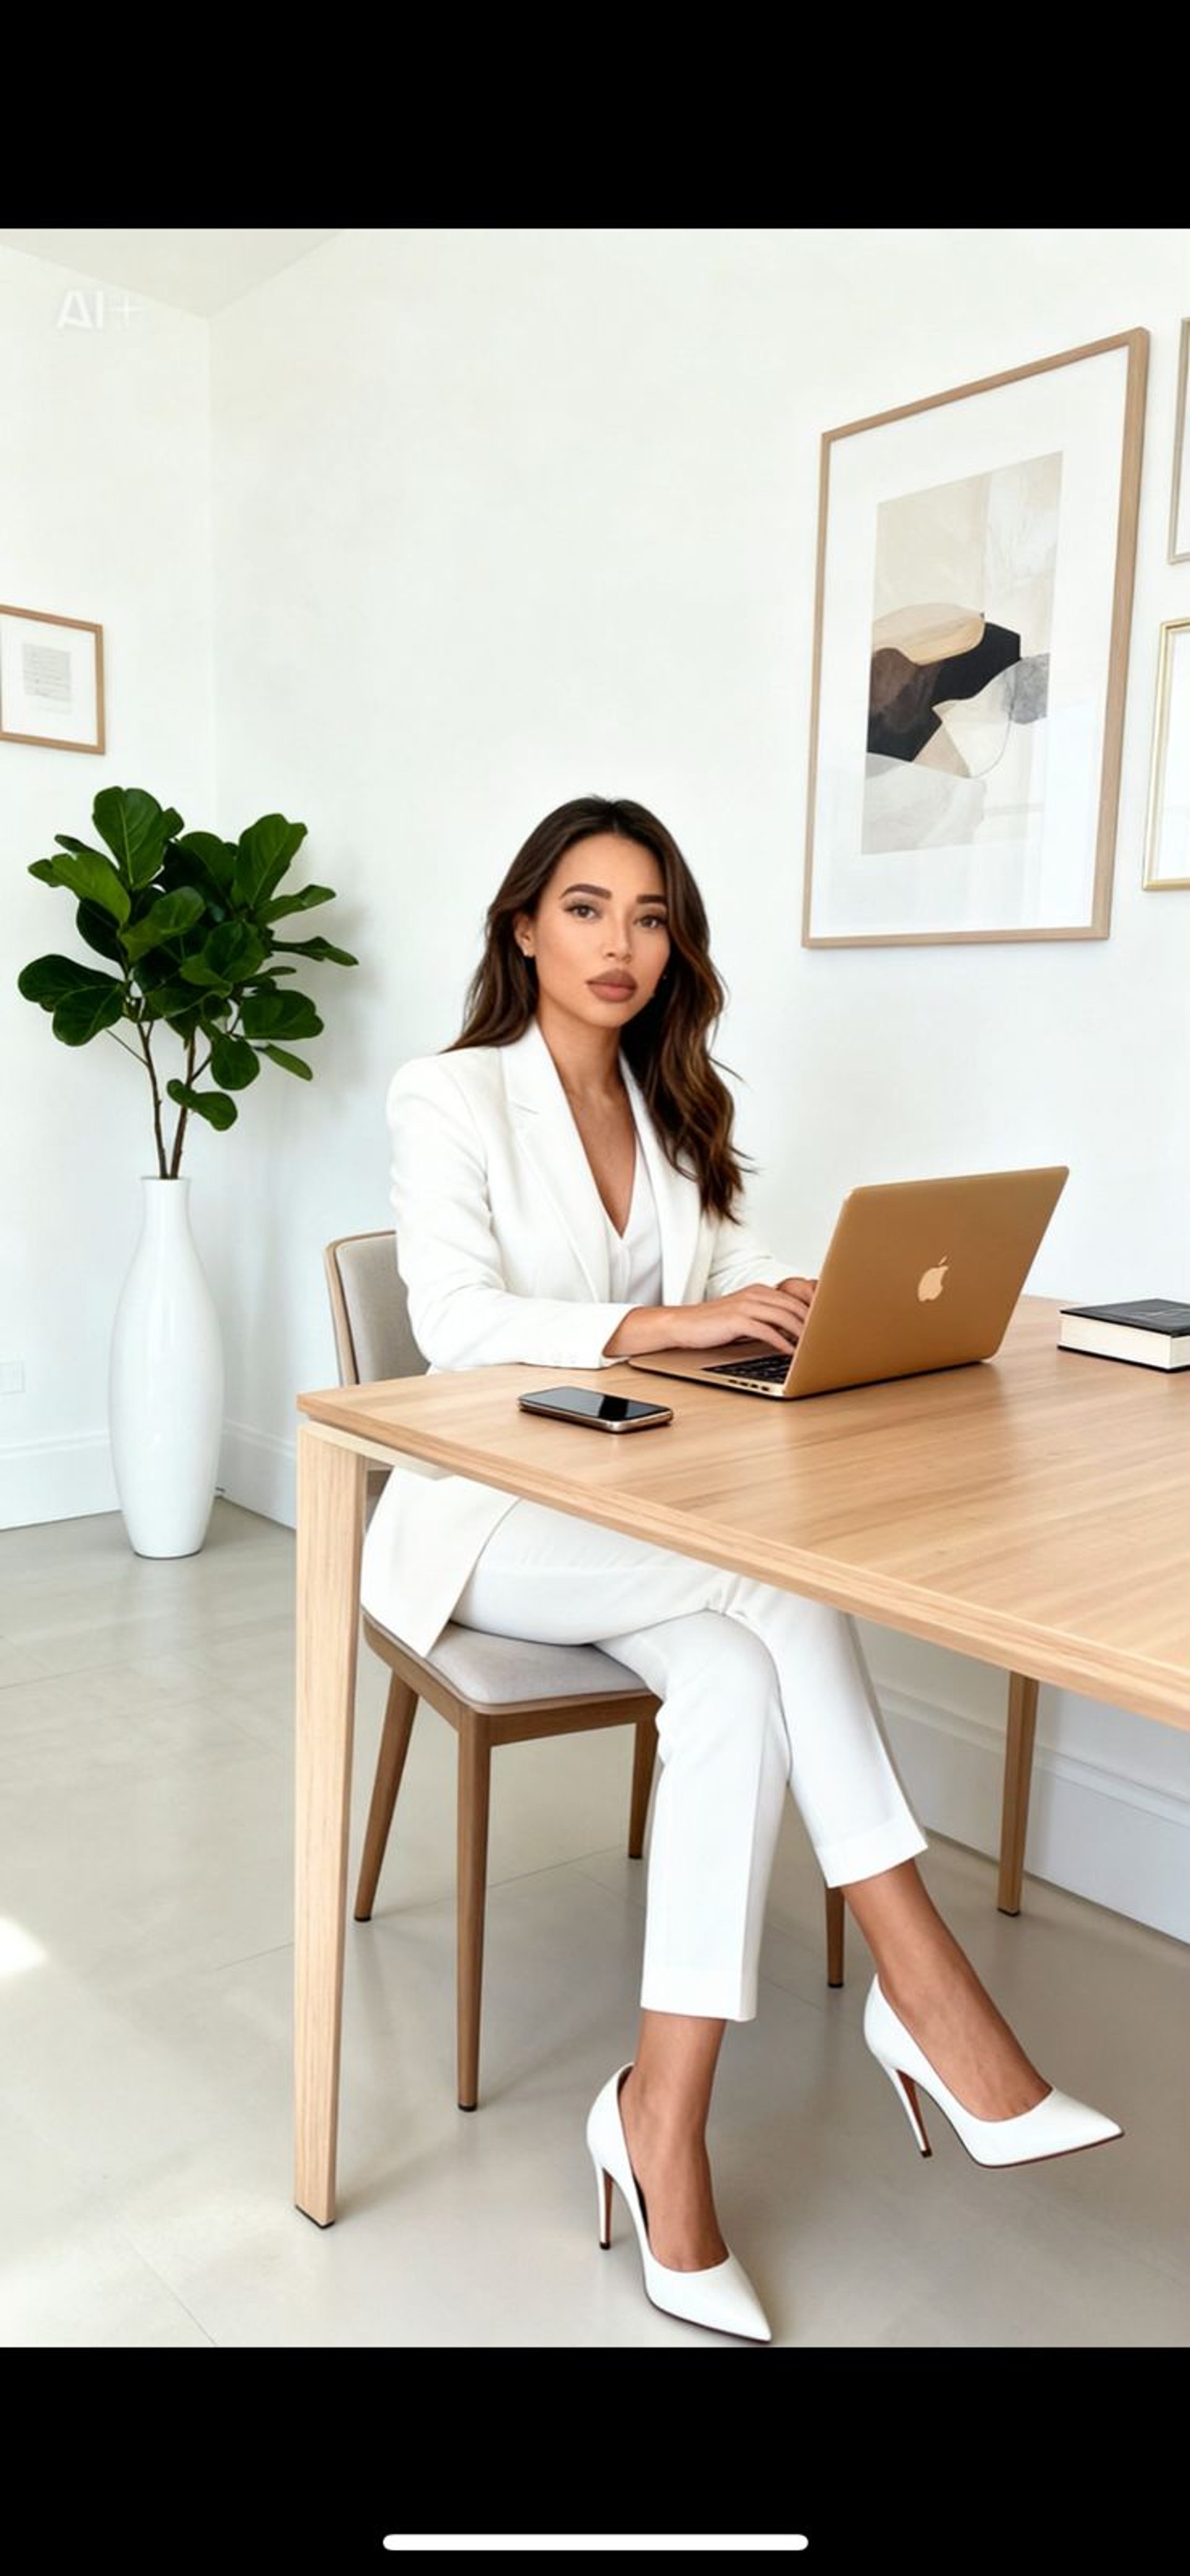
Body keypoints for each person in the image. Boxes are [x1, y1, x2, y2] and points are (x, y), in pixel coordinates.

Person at [359, 793, 1122, 2344]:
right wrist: (666, 1325)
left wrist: (772, 1296)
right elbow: (453, 1321)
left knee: (728, 1670)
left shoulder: (670, 1102)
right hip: (483, 1520)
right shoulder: (449, 1093)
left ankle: (660, 2118)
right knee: (772, 1582)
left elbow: (711, 1278)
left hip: (630, 1518)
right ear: (524, 926)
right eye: (587, 907)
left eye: (650, 916)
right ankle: (929, 1991)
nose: (621, 943)